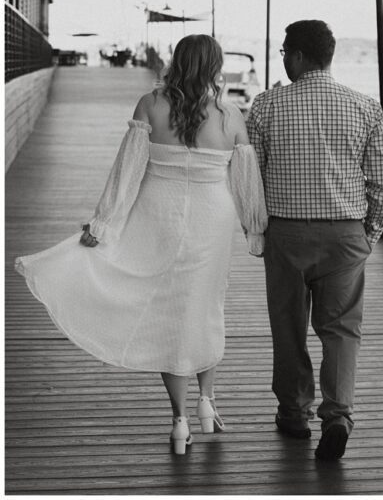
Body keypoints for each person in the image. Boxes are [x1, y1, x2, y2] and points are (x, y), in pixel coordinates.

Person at [16, 34, 267, 455]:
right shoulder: (230, 115)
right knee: (205, 307)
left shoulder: (150, 105)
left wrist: (104, 223)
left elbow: (128, 171)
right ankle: (207, 402)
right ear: (214, 67)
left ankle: (180, 421)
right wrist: (255, 230)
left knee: (170, 315)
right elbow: (246, 184)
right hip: (212, 220)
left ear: (177, 61)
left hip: (160, 216)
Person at [246, 19, 383, 462]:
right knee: (342, 331)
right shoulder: (365, 107)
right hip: (345, 235)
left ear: (294, 55)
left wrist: (258, 231)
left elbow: (250, 180)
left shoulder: (266, 105)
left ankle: (294, 414)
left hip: (287, 232)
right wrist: (367, 236)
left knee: (288, 326)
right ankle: (338, 416)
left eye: (283, 54)